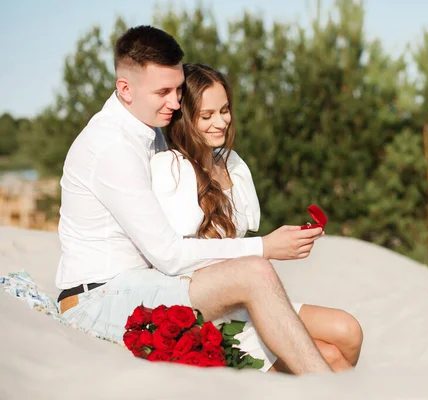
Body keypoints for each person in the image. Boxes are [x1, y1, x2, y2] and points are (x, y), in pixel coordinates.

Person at [54, 25, 360, 375]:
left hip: (150, 287)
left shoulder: (149, 129)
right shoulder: (112, 146)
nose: (175, 102)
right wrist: (264, 247)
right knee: (255, 270)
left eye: (179, 89)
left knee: (335, 349)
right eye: (163, 92)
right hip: (100, 298)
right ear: (125, 89)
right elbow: (169, 255)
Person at [151, 63, 363, 373]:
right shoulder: (171, 167)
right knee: (329, 357)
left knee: (348, 331)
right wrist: (265, 248)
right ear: (184, 119)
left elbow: (243, 240)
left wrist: (290, 241)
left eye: (225, 110)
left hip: (249, 296)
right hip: (207, 304)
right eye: (207, 116)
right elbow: (175, 255)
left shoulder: (232, 164)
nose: (221, 122)